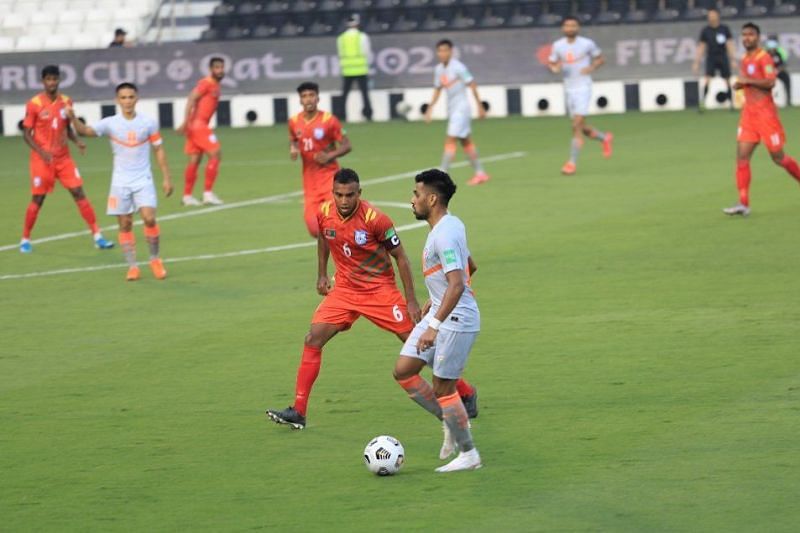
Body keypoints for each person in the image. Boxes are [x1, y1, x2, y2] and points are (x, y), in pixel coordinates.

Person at [266, 168, 479, 430]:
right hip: (344, 290)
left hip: (380, 291)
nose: (344, 201)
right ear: (333, 193)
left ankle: (465, 391)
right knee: (313, 338)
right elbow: (323, 238)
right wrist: (322, 274)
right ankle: (299, 410)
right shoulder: (324, 213)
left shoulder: (376, 219)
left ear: (359, 193)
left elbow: (400, 257)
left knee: (417, 345)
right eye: (339, 195)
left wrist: (411, 301)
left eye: (350, 195)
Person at [393, 168, 482, 473]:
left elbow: (458, 283)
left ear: (432, 198)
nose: (412, 200)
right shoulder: (450, 225)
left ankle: (469, 454)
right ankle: (450, 420)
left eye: (416, 194)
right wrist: (437, 294)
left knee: (444, 387)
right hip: (444, 310)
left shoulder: (443, 234)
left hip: (456, 319)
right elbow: (470, 266)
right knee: (404, 371)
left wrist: (434, 325)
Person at [69, 82, 174, 280]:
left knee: (149, 218)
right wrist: (73, 117)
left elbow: (158, 149)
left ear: (137, 98)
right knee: (125, 224)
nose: (127, 101)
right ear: (117, 100)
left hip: (143, 179)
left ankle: (155, 259)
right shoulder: (111, 123)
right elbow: (85, 131)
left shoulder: (148, 123)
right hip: (120, 182)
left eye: (130, 97)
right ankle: (133, 266)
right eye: (123, 97)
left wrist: (167, 178)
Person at [19, 65, 114, 254]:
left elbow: (66, 127)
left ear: (59, 80)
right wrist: (41, 152)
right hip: (42, 160)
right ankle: (25, 239)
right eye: (48, 79)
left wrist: (77, 141)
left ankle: (98, 236)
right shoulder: (34, 103)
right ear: (43, 81)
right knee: (38, 198)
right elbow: (26, 134)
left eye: (55, 79)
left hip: (63, 159)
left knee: (79, 192)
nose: (52, 83)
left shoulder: (67, 102)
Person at [724, 23, 800, 217]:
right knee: (742, 157)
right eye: (744, 35)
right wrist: (741, 86)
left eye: (750, 34)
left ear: (757, 37)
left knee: (779, 158)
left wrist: (747, 82)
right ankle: (743, 203)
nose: (747, 38)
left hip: (766, 117)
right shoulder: (744, 58)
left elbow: (770, 82)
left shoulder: (764, 57)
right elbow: (750, 83)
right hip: (749, 116)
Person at [548, 16, 613, 176]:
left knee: (575, 126)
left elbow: (600, 59)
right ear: (563, 28)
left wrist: (591, 68)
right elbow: (552, 62)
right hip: (569, 88)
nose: (570, 28)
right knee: (582, 127)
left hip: (583, 86)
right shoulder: (558, 46)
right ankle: (603, 138)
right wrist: (555, 68)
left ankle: (571, 163)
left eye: (573, 25)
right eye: (567, 25)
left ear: (578, 27)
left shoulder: (587, 43)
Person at [288, 81, 351, 237]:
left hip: (329, 179)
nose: (308, 99)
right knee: (314, 229)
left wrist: (329, 156)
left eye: (311, 95)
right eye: (304, 96)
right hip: (309, 183)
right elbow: (294, 138)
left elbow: (347, 145)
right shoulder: (294, 122)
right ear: (300, 100)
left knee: (335, 223)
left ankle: (350, 253)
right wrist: (294, 148)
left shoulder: (329, 120)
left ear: (318, 98)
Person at [425, 39, 490, 186]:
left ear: (451, 51)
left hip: (461, 109)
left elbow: (472, 84)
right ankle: (480, 173)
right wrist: (430, 107)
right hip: (452, 110)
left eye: (445, 50)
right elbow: (437, 89)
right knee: (466, 141)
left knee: (450, 140)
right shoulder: (439, 70)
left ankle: (442, 175)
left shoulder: (459, 67)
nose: (442, 53)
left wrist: (480, 106)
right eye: (440, 51)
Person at [178, 57, 224, 206]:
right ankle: (208, 194)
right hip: (199, 125)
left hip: (195, 125)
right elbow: (191, 99)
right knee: (216, 153)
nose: (220, 70)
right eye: (217, 68)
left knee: (195, 160)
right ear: (211, 69)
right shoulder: (206, 83)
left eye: (222, 67)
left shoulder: (215, 85)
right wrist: (186, 121)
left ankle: (187, 196)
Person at [692, 8, 736, 112]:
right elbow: (701, 46)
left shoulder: (724, 29)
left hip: (723, 56)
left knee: (727, 80)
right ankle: (702, 104)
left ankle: (731, 104)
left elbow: (729, 44)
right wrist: (696, 62)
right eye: (709, 15)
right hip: (711, 57)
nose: (711, 17)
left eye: (713, 14)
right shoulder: (705, 30)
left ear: (717, 16)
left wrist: (733, 59)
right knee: (707, 80)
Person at [337, 14, 373, 122]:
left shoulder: (341, 38)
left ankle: (341, 115)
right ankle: (368, 114)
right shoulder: (362, 37)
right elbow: (367, 53)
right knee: (365, 94)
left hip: (347, 70)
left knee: (344, 95)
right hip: (361, 69)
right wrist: (368, 67)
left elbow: (340, 54)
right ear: (357, 24)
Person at [765, 35, 791, 106]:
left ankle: (788, 100)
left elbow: (784, 64)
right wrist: (771, 72)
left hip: (779, 71)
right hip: (768, 73)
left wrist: (778, 70)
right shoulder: (765, 53)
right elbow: (764, 65)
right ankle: (765, 101)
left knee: (786, 77)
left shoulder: (780, 52)